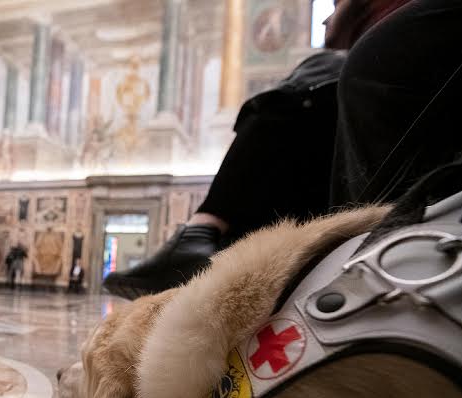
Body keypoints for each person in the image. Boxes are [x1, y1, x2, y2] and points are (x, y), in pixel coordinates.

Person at [103, 0, 415, 300]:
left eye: (334, 5)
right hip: (370, 171)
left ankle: (200, 232)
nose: (324, 19)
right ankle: (213, 250)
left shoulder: (391, 40)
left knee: (308, 80)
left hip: (380, 170)